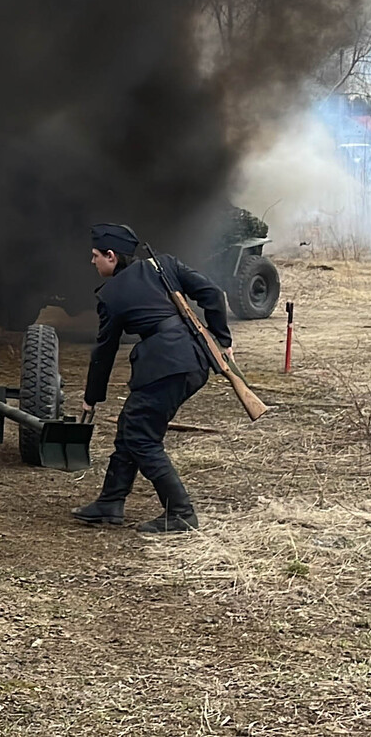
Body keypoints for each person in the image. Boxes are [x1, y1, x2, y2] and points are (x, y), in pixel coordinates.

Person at [73, 223, 227, 534]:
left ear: (111, 256)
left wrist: (92, 396)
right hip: (194, 358)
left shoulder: (111, 295)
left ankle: (180, 512)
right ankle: (110, 502)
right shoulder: (165, 264)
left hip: (167, 364)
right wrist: (223, 340)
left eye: (95, 256)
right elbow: (212, 293)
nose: (92, 262)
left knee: (142, 436)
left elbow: (104, 351)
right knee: (132, 423)